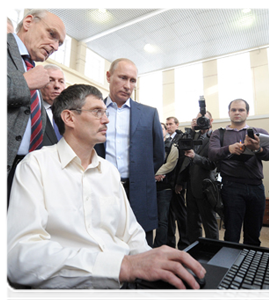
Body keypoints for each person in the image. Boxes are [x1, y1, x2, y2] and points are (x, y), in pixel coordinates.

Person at [5, 84, 205, 299]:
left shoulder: (109, 171)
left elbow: (131, 233)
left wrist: (153, 261)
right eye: (97, 112)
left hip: (126, 283)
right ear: (69, 118)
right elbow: (20, 256)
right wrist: (123, 266)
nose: (107, 120)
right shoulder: (36, 166)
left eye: (105, 112)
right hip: (70, 290)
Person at [94, 58, 165, 247]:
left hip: (140, 191)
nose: (128, 86)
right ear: (108, 76)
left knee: (141, 246)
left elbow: (158, 155)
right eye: (123, 78)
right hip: (101, 189)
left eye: (133, 80)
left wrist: (141, 175)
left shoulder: (149, 114)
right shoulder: (92, 110)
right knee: (103, 242)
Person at [5, 8, 66, 213]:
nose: (55, 46)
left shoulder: (32, 69)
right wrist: (24, 83)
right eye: (52, 35)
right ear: (29, 22)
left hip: (25, 172)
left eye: (60, 43)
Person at [209, 99, 269, 246]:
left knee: (253, 233)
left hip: (256, 187)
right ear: (229, 113)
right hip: (231, 187)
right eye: (233, 110)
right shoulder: (219, 134)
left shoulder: (260, 133)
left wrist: (258, 149)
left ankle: (250, 266)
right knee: (232, 233)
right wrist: (229, 149)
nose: (237, 112)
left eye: (241, 110)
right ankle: (229, 267)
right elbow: (212, 154)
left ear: (247, 112)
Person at [176, 111, 219, 244]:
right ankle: (195, 251)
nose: (201, 122)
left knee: (209, 223)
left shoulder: (215, 137)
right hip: (191, 187)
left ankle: (213, 253)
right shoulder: (192, 136)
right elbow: (185, 159)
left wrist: (196, 156)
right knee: (192, 223)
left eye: (204, 119)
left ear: (211, 121)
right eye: (199, 119)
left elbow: (213, 164)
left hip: (207, 188)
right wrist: (180, 181)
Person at [165, 116, 190, 250]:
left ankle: (184, 243)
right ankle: (170, 243)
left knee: (181, 214)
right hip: (167, 183)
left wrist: (180, 183)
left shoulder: (181, 138)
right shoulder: (166, 138)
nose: (168, 126)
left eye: (171, 124)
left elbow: (183, 163)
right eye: (167, 124)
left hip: (177, 183)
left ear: (177, 125)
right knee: (169, 215)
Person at [154, 123, 179, 248]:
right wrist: (152, 177)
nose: (159, 130)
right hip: (149, 187)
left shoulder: (172, 146)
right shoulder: (149, 145)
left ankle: (159, 246)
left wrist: (155, 174)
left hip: (165, 188)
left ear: (166, 131)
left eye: (162, 128)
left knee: (162, 220)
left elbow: (170, 165)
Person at [41, 64, 66, 142]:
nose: (57, 86)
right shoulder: (31, 111)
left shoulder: (69, 114)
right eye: (50, 80)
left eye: (61, 81)